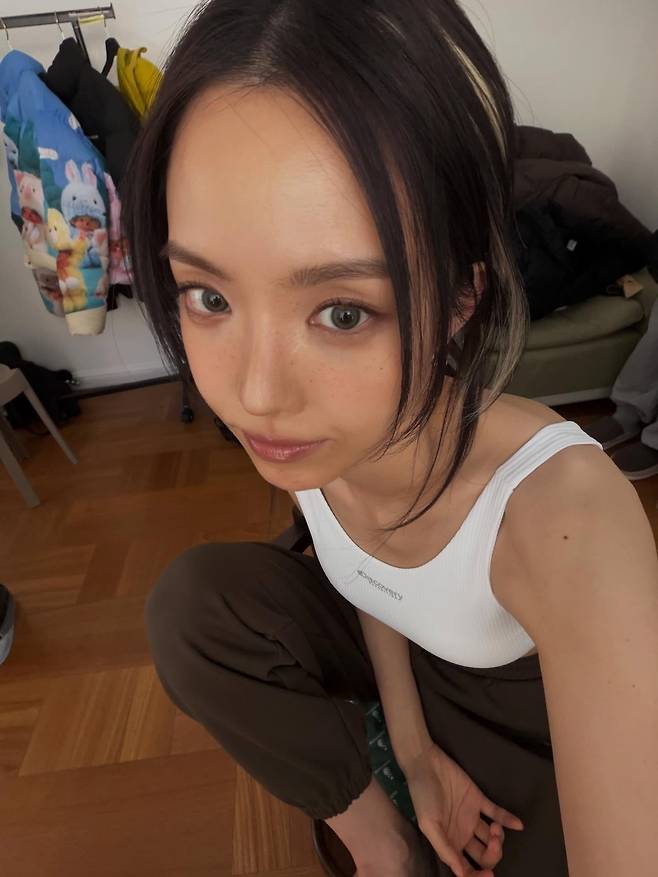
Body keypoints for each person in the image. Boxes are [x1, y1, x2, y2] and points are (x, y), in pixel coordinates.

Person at [121, 2, 658, 876]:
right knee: (193, 610)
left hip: (530, 726)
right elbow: (366, 574)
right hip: (412, 669)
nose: (256, 395)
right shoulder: (315, 427)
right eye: (210, 297)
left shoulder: (566, 520)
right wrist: (410, 756)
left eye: (341, 312)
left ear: (460, 301)